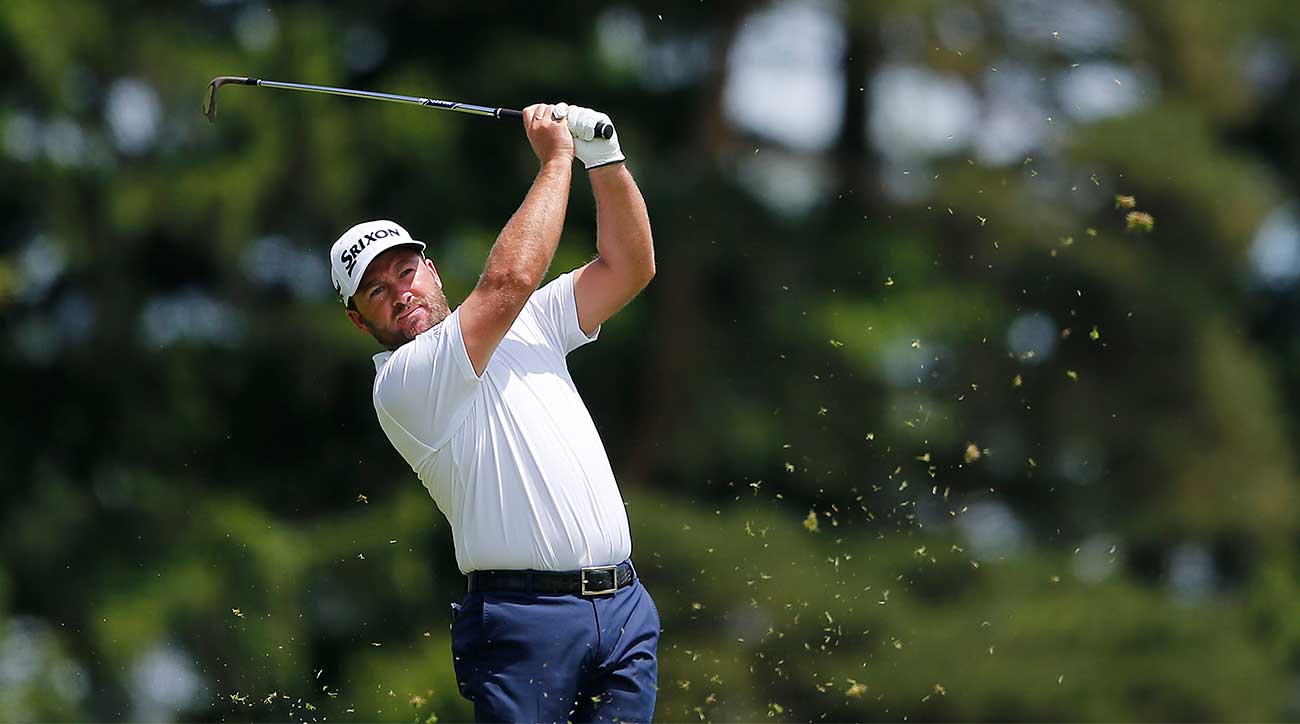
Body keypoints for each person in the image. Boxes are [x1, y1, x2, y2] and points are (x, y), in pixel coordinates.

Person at [327, 102, 658, 723]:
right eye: (377, 291)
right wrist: (558, 158)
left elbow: (630, 267)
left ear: (430, 269)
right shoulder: (403, 384)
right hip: (523, 621)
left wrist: (605, 157)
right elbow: (508, 281)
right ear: (358, 319)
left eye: (406, 272)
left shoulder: (533, 321)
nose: (401, 294)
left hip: (624, 607)